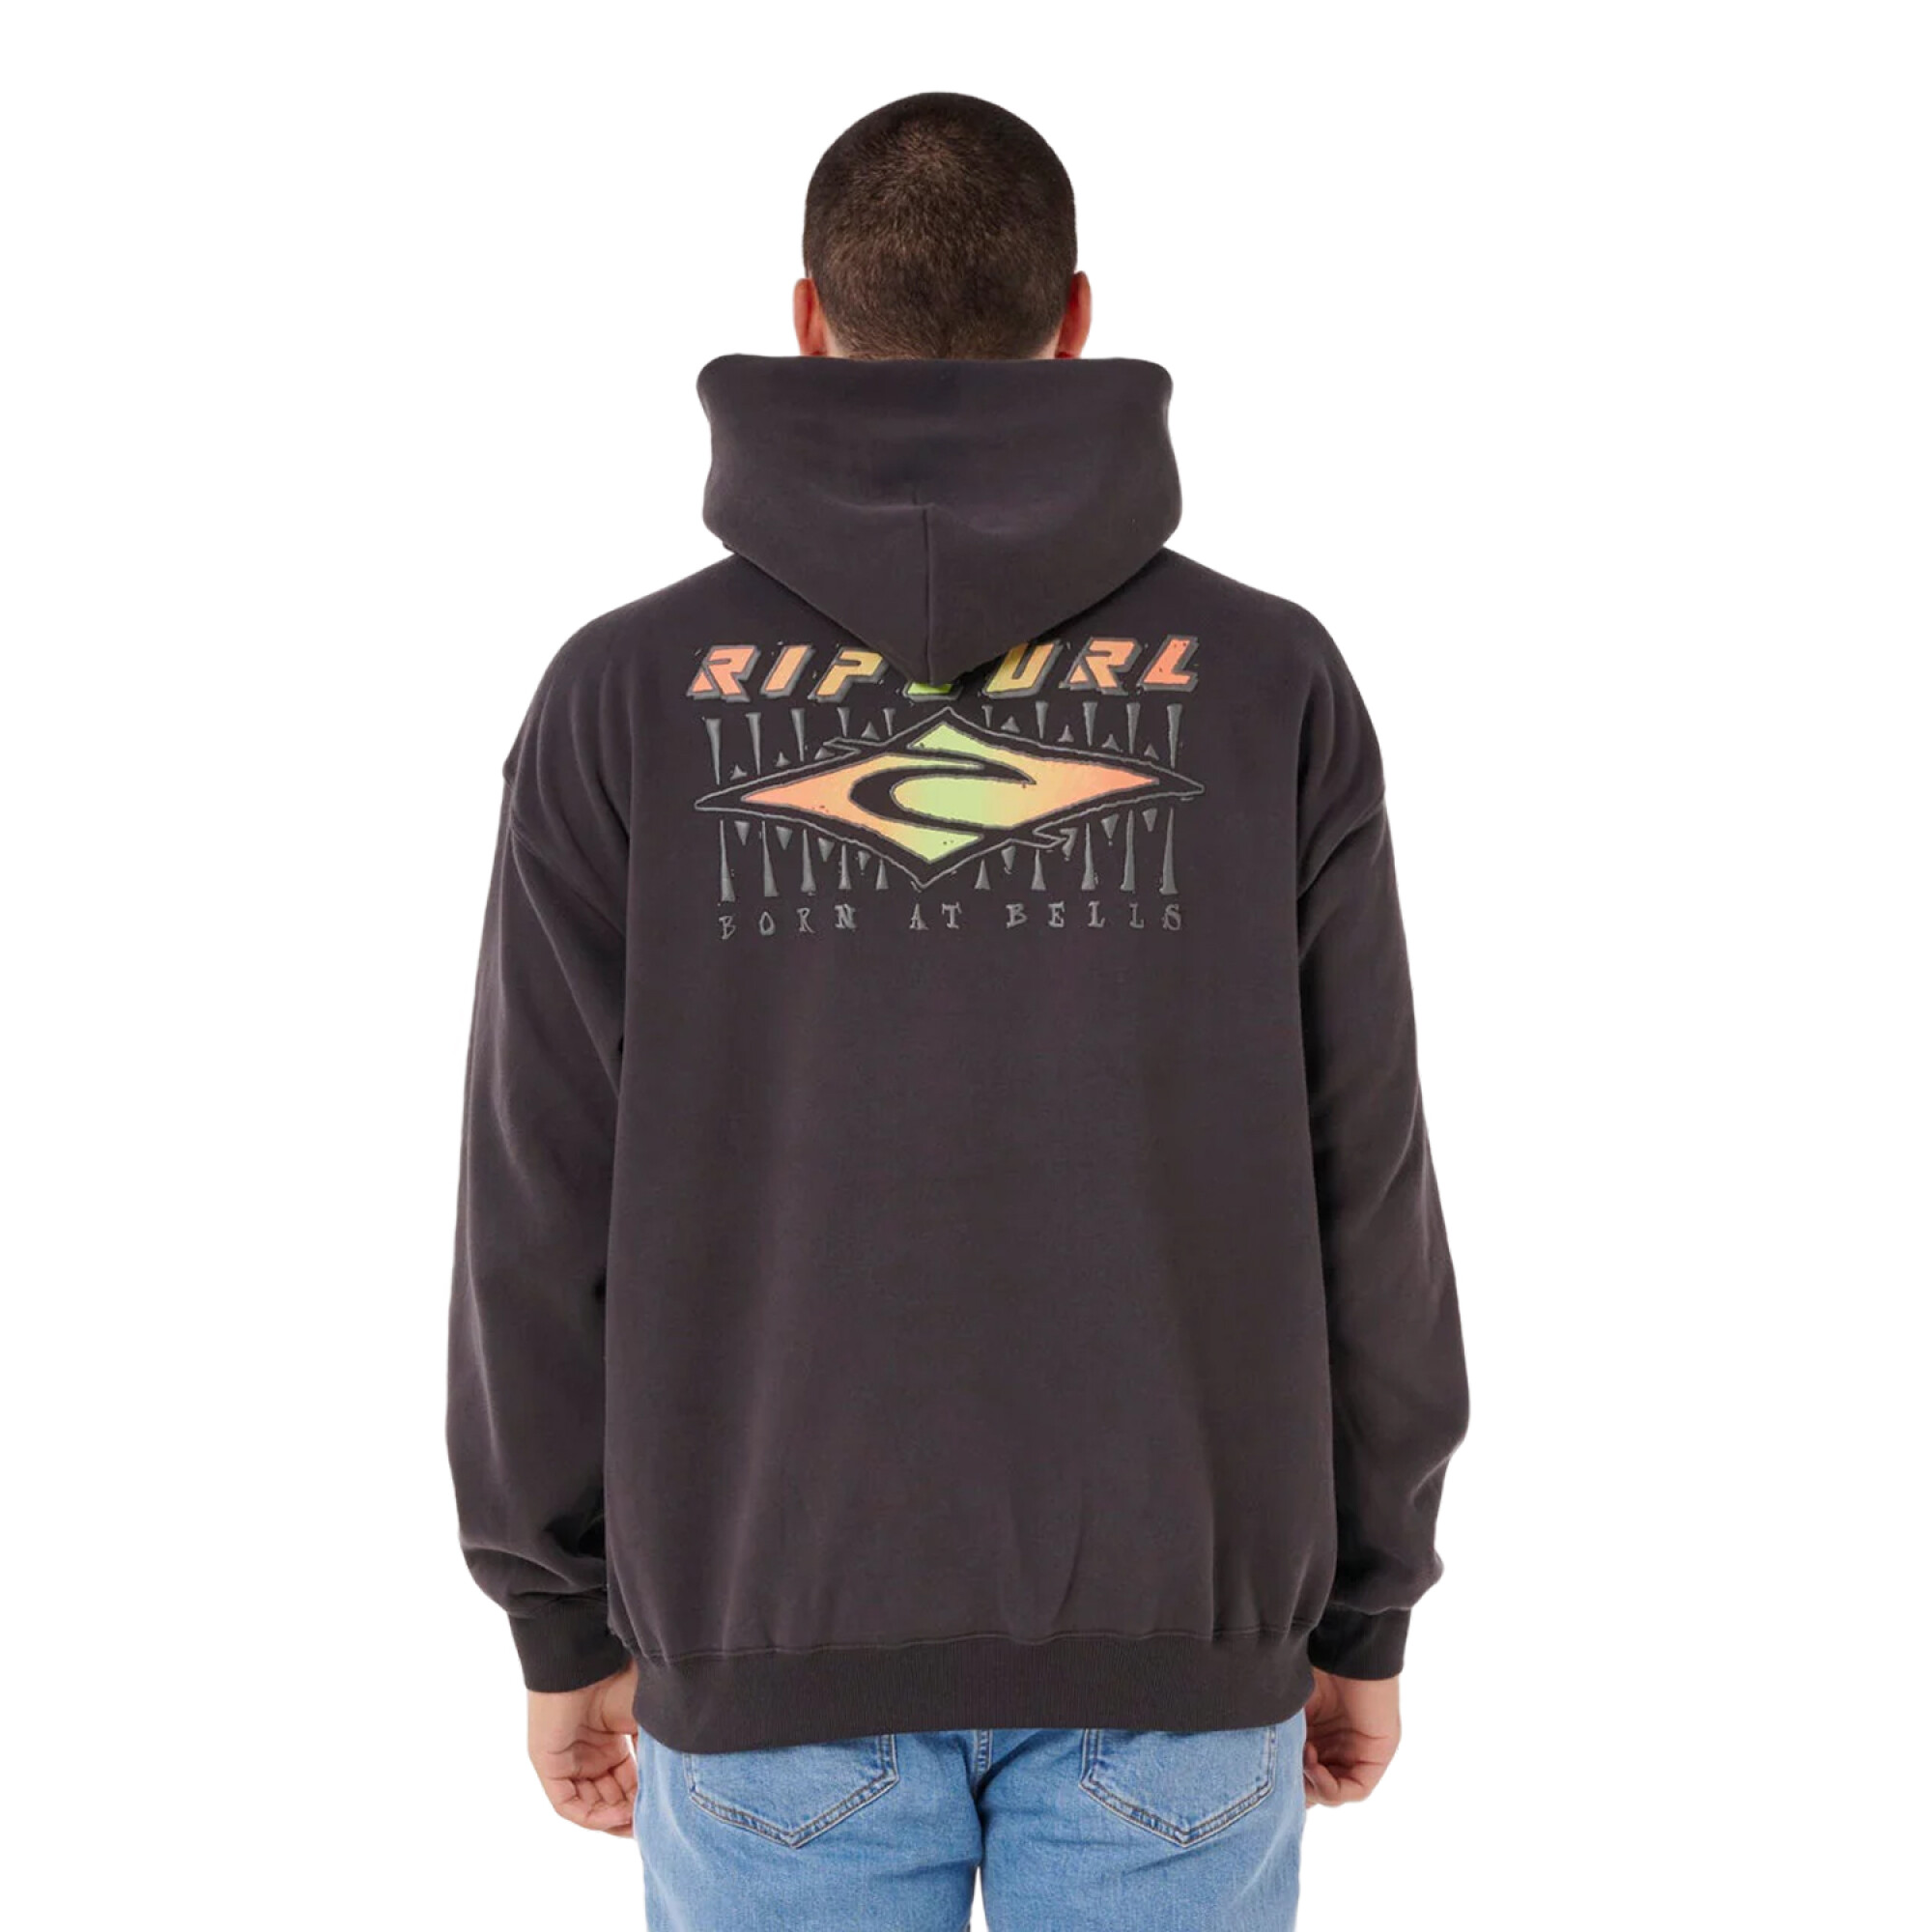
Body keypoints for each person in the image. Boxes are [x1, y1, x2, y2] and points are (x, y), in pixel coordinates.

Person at [444, 89, 1469, 1931]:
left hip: (766, 1650)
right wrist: (1368, 1601)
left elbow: (536, 1194)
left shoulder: (627, 693)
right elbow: (1367, 1175)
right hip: (1177, 1655)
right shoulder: (1264, 679)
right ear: (1074, 319)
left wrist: (560, 1613)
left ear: (807, 318)